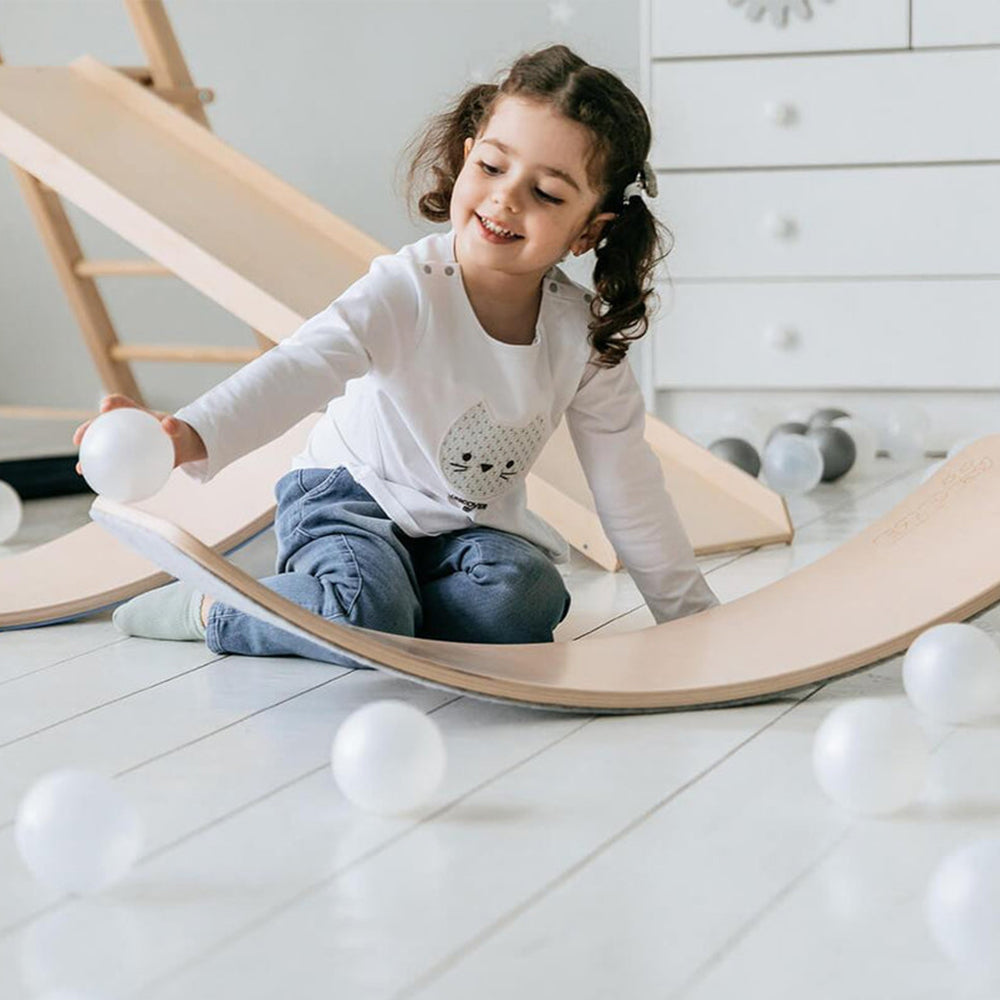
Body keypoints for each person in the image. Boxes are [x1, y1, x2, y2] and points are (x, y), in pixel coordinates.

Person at [77, 44, 718, 666]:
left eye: (547, 193)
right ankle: (211, 611)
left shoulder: (579, 335)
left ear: (589, 229)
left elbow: (627, 483)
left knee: (525, 602)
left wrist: (692, 621)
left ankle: (382, 616)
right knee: (366, 608)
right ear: (466, 160)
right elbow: (299, 367)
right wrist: (184, 434)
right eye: (492, 168)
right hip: (347, 500)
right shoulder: (407, 290)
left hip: (463, 535)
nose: (506, 198)